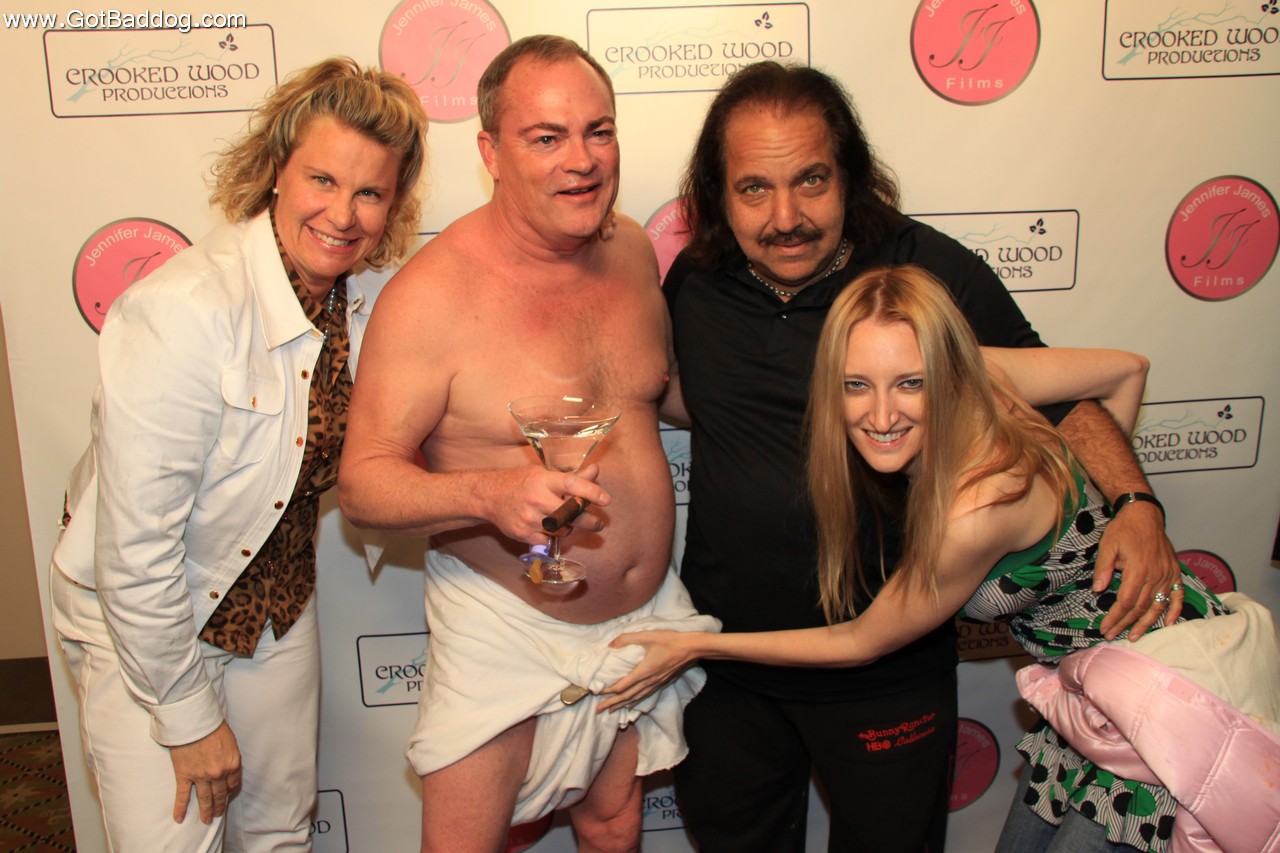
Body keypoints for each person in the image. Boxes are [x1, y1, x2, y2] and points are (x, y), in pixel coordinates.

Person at [651, 61, 1183, 851]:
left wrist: (1136, 504)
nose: (785, 217)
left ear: (849, 175)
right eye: (754, 188)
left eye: (811, 180)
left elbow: (1061, 398)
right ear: (718, 196)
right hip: (729, 673)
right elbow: (677, 394)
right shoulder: (697, 282)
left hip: (886, 671)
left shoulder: (924, 271)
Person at [605, 264, 1280, 853]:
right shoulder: (988, 378)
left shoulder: (979, 506)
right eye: (857, 385)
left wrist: (699, 644)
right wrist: (1106, 510)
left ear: (946, 373)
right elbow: (1126, 371)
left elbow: (862, 639)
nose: (881, 415)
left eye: (910, 383)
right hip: (1097, 697)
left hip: (1172, 709)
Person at [337, 35, 716, 853]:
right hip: (505, 624)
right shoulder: (431, 296)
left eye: (598, 131)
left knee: (614, 823)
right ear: (491, 154)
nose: (581, 160)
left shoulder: (629, 250)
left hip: (637, 619)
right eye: (546, 137)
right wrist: (489, 493)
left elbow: (656, 391)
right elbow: (363, 483)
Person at [49, 58, 427, 851]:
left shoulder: (368, 301)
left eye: (370, 192)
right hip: (153, 615)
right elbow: (136, 549)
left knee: (277, 831)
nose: (343, 213)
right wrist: (186, 717)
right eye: (322, 179)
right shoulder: (184, 310)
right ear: (277, 170)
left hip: (276, 604)